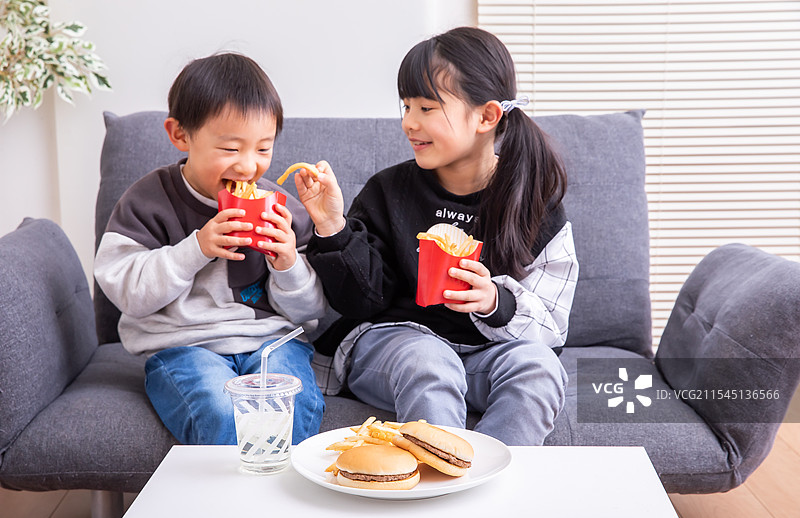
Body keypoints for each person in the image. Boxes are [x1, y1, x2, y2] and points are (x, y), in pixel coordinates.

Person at [295, 27, 578, 446]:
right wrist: (333, 227)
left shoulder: (532, 202)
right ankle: (439, 496)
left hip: (488, 353)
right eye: (406, 106)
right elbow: (360, 301)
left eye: (427, 107)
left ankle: (491, 496)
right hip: (398, 346)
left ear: (486, 117)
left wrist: (497, 302)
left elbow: (552, 325)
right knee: (431, 362)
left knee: (539, 369)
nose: (409, 122)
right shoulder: (388, 190)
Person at [94, 53, 325, 445]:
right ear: (180, 135)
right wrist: (197, 248)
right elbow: (127, 293)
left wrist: (288, 264)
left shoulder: (281, 208)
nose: (249, 167)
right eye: (231, 149)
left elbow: (313, 316)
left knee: (293, 405)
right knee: (221, 412)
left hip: (270, 343)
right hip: (184, 346)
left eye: (263, 149)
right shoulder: (147, 201)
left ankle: (282, 503)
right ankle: (232, 505)